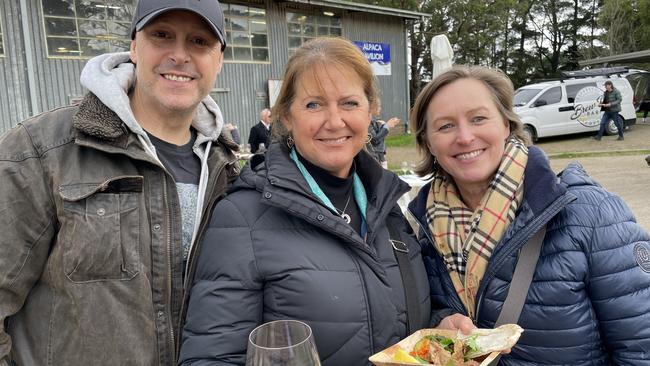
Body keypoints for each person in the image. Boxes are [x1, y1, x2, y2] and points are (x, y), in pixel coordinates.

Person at [0, 0, 240, 365]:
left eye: (199, 42)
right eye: (162, 35)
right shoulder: (43, 149)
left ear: (218, 60)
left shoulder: (228, 168)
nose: (180, 55)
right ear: (133, 46)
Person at [179, 37, 431, 365]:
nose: (335, 121)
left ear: (371, 111)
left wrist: (442, 324)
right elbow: (211, 357)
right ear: (286, 115)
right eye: (314, 105)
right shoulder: (243, 218)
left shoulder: (387, 206)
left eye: (350, 103)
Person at [407, 65, 650, 364]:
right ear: (428, 142)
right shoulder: (421, 229)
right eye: (445, 126)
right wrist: (441, 322)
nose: (465, 137)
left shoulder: (591, 212)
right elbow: (430, 309)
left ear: (506, 125)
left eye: (479, 118)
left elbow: (641, 346)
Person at [367, 99, 400, 168]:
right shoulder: (366, 122)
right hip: (374, 159)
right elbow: (375, 140)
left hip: (380, 158)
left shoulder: (374, 121)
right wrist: (387, 126)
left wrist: (384, 126)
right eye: (379, 106)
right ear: (372, 107)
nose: (380, 108)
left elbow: (379, 138)